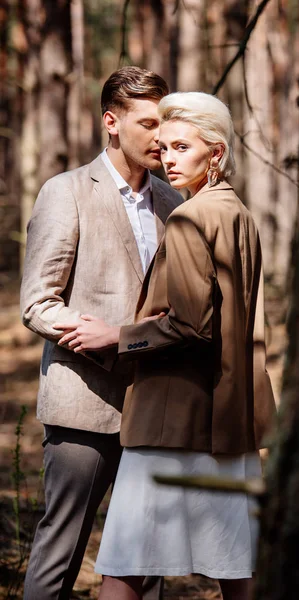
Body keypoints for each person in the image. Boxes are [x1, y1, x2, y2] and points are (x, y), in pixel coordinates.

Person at [55, 92, 276, 600]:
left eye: (182, 147)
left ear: (215, 153)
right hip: (226, 420)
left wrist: (117, 335)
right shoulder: (237, 213)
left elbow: (189, 325)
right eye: (164, 147)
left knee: (123, 568)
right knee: (238, 569)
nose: (168, 158)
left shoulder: (190, 218)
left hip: (171, 419)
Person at [20, 67, 183, 600]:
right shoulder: (64, 191)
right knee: (59, 553)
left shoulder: (174, 204)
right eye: (148, 123)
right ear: (111, 122)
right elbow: (39, 302)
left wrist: (125, 335)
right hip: (82, 406)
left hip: (156, 407)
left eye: (167, 122)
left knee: (148, 561)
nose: (160, 136)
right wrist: (95, 338)